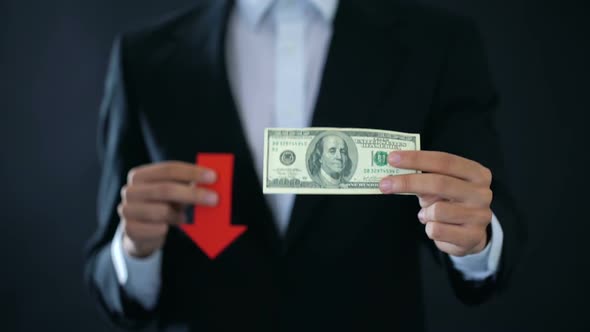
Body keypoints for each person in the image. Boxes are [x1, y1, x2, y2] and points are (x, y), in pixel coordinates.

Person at [84, 0, 524, 331]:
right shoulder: (143, 58)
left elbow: (488, 212)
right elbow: (105, 270)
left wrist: (477, 239)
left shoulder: (439, 43)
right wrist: (132, 252)